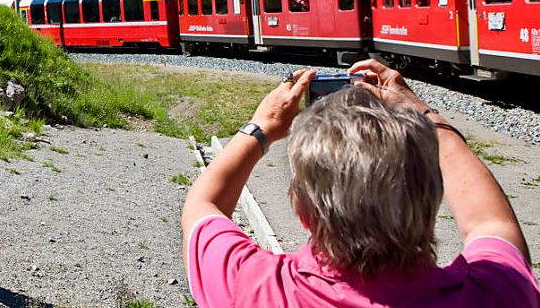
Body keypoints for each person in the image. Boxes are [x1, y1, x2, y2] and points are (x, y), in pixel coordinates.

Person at [182, 61, 539, 308]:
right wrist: (426, 116)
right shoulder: (496, 292)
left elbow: (202, 205)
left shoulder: (253, 287)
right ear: (432, 197)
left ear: (301, 209)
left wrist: (261, 127)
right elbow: (491, 224)